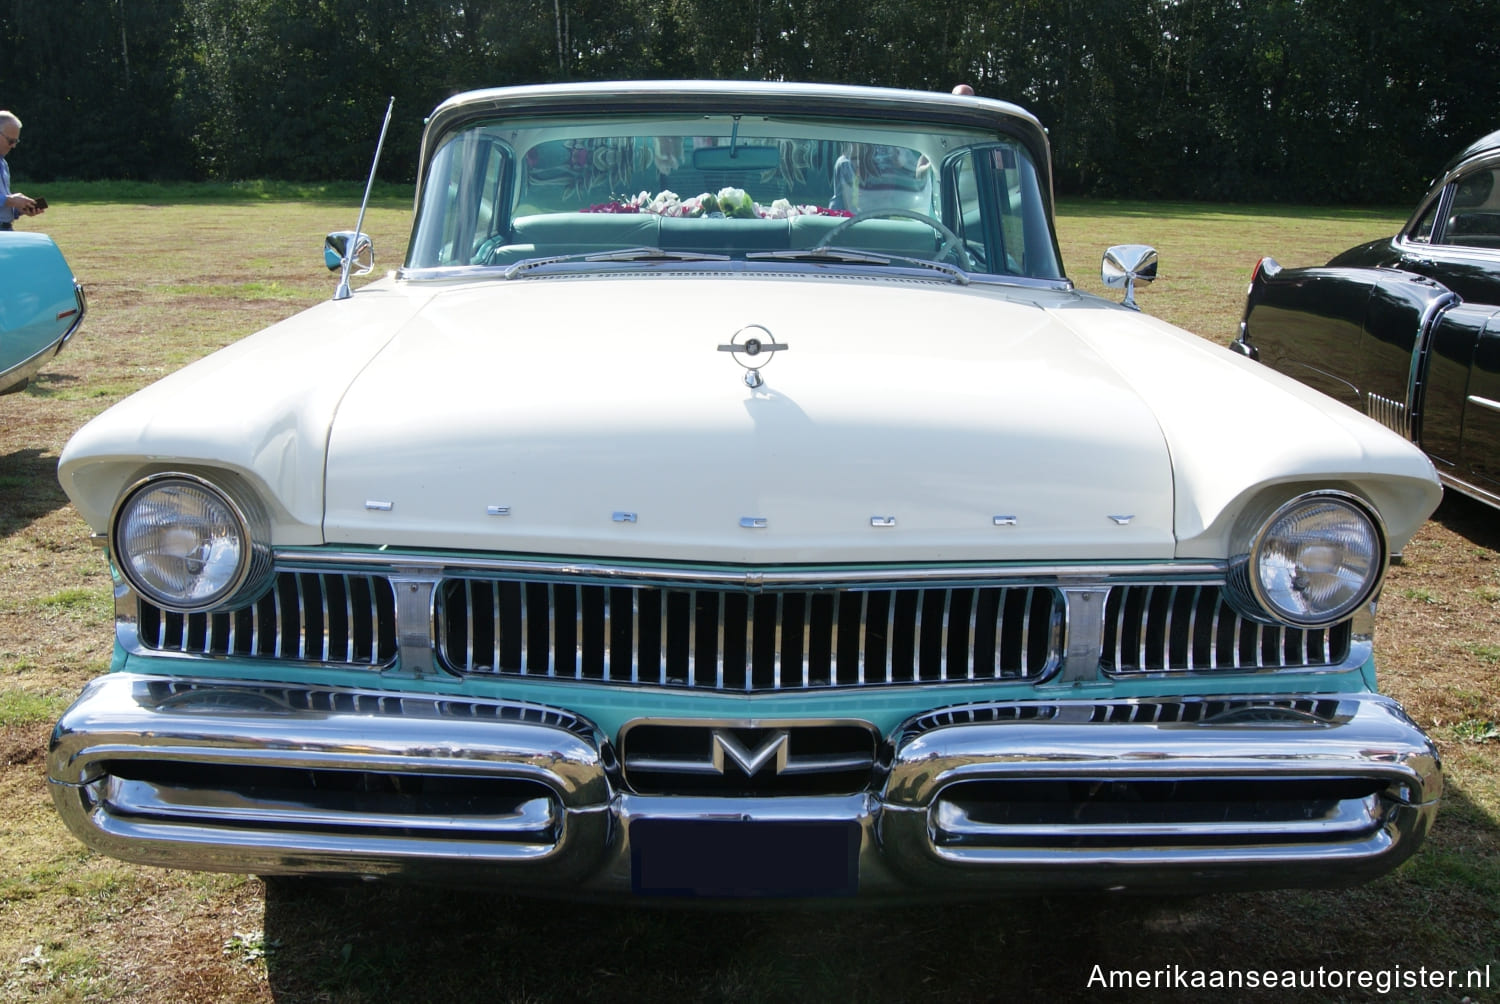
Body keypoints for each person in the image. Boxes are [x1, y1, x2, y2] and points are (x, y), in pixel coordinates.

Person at [0, 111, 44, 230]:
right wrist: (11, 200)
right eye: (10, 140)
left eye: (16, 141)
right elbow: (6, 200)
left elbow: (3, 205)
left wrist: (20, 209)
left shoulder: (3, 164)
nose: (13, 146)